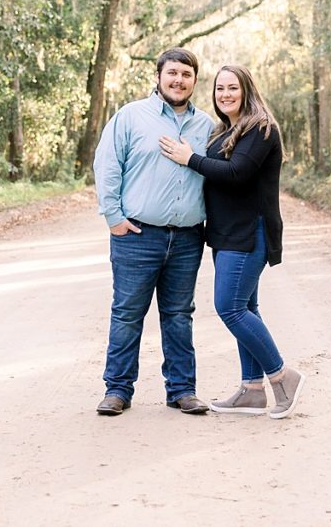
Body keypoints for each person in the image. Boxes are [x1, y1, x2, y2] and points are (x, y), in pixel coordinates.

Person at [159, 64, 306, 419]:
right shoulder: (227, 130)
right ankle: (252, 390)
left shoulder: (260, 127)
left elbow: (237, 174)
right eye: (220, 88)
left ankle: (283, 377)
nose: (225, 94)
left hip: (248, 232)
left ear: (246, 90)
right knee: (247, 309)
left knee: (230, 308)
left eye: (232, 88)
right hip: (226, 233)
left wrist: (189, 158)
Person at [92, 48, 215, 416]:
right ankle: (117, 389)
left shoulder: (207, 126)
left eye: (186, 74)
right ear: (159, 76)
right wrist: (113, 216)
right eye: (172, 73)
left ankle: (182, 390)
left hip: (188, 237)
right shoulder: (132, 116)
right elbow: (107, 164)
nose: (179, 80)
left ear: (195, 80)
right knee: (128, 313)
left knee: (179, 315)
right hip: (137, 236)